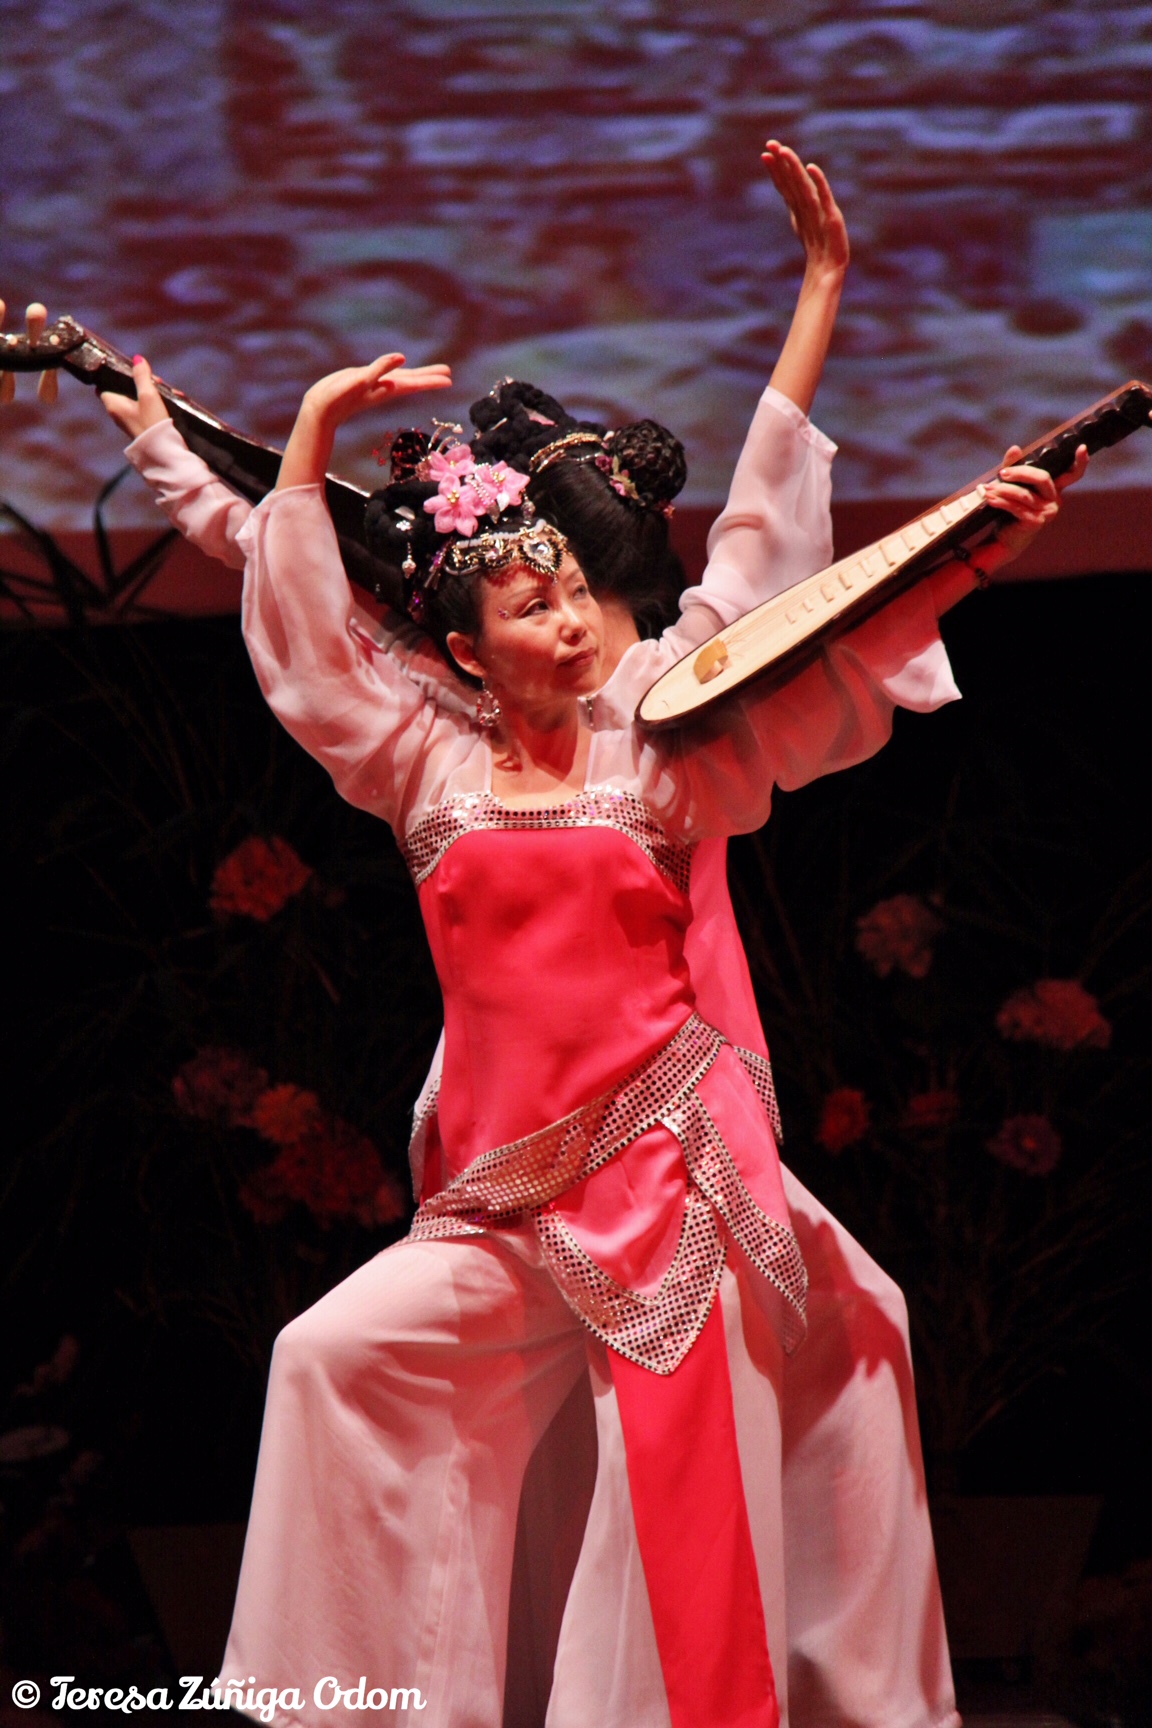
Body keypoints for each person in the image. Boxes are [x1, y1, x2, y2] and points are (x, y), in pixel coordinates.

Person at [97, 147, 1085, 1728]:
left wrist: (858, 349)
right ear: (461, 651)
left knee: (813, 1375)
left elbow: (771, 576)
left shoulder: (666, 740)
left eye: (573, 589)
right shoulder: (420, 760)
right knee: (327, 1359)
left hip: (674, 1168)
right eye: (532, 604)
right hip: (504, 1196)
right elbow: (302, 614)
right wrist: (275, 437)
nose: (572, 618)